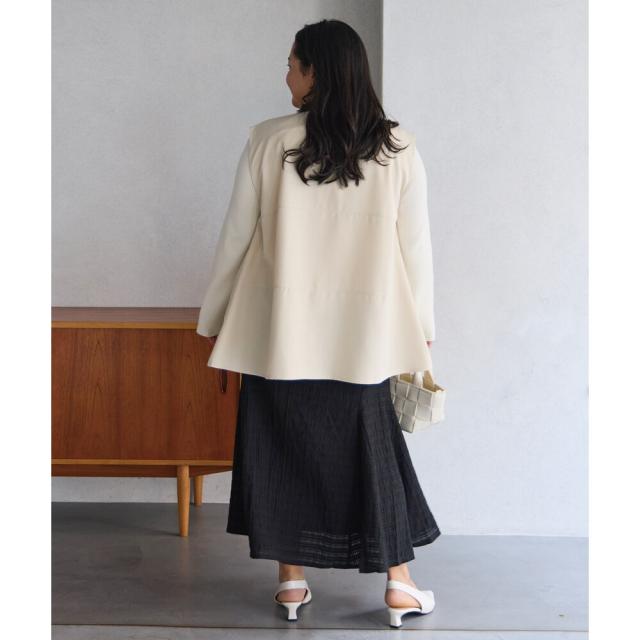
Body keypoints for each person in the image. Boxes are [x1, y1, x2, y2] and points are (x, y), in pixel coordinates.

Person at [196, 19, 440, 627]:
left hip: (278, 333)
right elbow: (415, 249)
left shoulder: (267, 140)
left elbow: (235, 240)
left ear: (315, 72)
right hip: (365, 335)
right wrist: (422, 329)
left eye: (292, 64)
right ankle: (399, 584)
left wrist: (215, 320)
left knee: (279, 449)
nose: (285, 75)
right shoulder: (398, 148)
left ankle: (291, 582)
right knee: (373, 451)